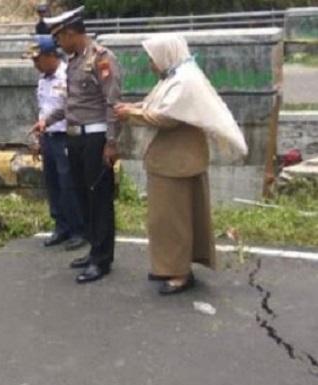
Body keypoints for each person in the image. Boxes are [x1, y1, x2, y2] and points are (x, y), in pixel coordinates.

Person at [114, 35, 248, 295]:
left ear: (166, 54)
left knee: (172, 221)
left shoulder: (185, 81)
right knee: (171, 219)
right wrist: (134, 107)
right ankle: (172, 266)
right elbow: (157, 103)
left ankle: (178, 273)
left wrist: (130, 114)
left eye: (152, 58)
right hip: (175, 161)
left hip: (176, 164)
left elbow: (167, 117)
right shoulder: (175, 76)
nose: (151, 64)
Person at [35, 6, 122, 284]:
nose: (58, 43)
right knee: (83, 196)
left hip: (95, 138)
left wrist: (111, 142)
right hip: (74, 137)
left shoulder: (101, 58)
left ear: (72, 33)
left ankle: (102, 259)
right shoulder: (74, 61)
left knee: (99, 198)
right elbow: (70, 103)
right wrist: (47, 120)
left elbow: (112, 103)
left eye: (60, 37)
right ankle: (94, 249)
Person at [26, 35, 87, 251]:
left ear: (51, 55)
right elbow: (43, 110)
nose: (35, 64)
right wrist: (38, 140)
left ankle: (79, 229)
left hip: (65, 137)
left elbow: (73, 108)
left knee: (68, 184)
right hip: (49, 137)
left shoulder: (67, 75)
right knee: (53, 184)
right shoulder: (43, 79)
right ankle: (61, 226)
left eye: (38, 59)